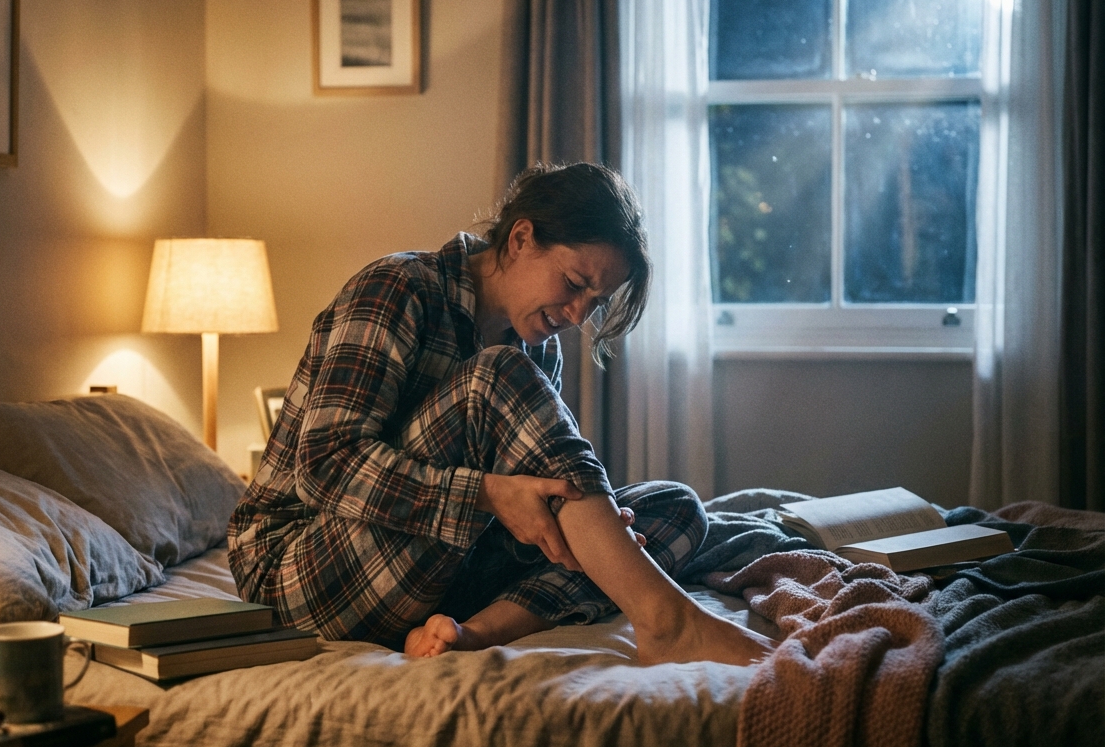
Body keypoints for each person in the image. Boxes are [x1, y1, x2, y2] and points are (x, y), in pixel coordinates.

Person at [228, 162, 775, 666]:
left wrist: (586, 531)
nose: (578, 315)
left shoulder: (541, 349)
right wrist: (488, 495)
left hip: (440, 571)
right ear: (520, 239)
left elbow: (527, 502)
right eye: (574, 284)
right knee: (496, 374)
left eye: (596, 301)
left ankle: (471, 633)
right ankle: (665, 621)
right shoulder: (398, 288)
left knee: (675, 508)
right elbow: (324, 465)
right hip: (295, 572)